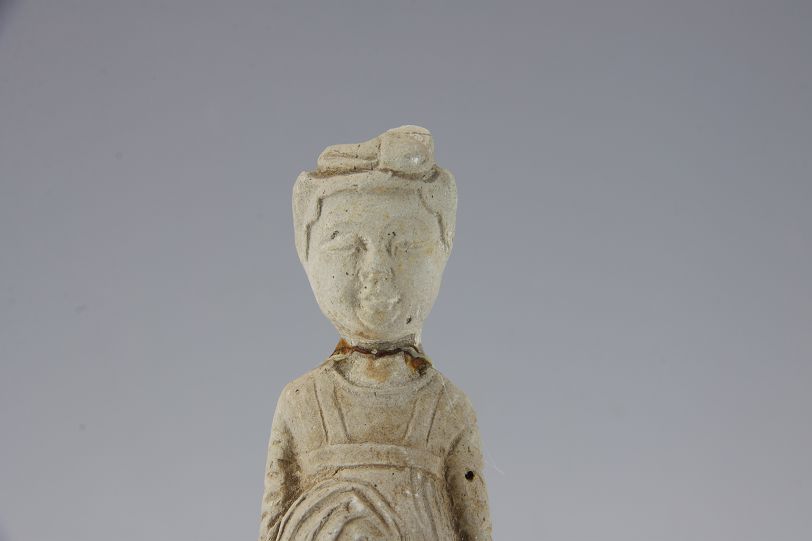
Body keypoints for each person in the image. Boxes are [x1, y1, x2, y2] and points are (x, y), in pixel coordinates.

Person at [259, 126, 492, 541]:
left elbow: (476, 530)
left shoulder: (447, 409)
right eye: (347, 243)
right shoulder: (302, 404)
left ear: (443, 249)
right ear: (306, 252)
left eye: (405, 244)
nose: (376, 272)